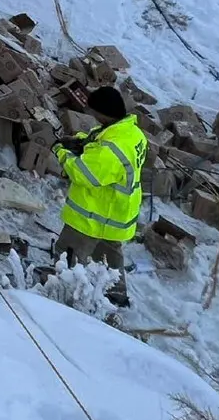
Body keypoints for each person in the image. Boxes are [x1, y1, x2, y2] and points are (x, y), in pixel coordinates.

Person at [50, 85, 147, 301]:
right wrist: (83, 142)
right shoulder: (132, 132)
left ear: (102, 113)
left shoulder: (111, 150)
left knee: (68, 256)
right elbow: (102, 144)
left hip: (93, 216)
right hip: (117, 213)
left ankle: (62, 295)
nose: (90, 115)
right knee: (110, 260)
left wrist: (61, 151)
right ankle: (116, 297)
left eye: (92, 112)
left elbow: (85, 174)